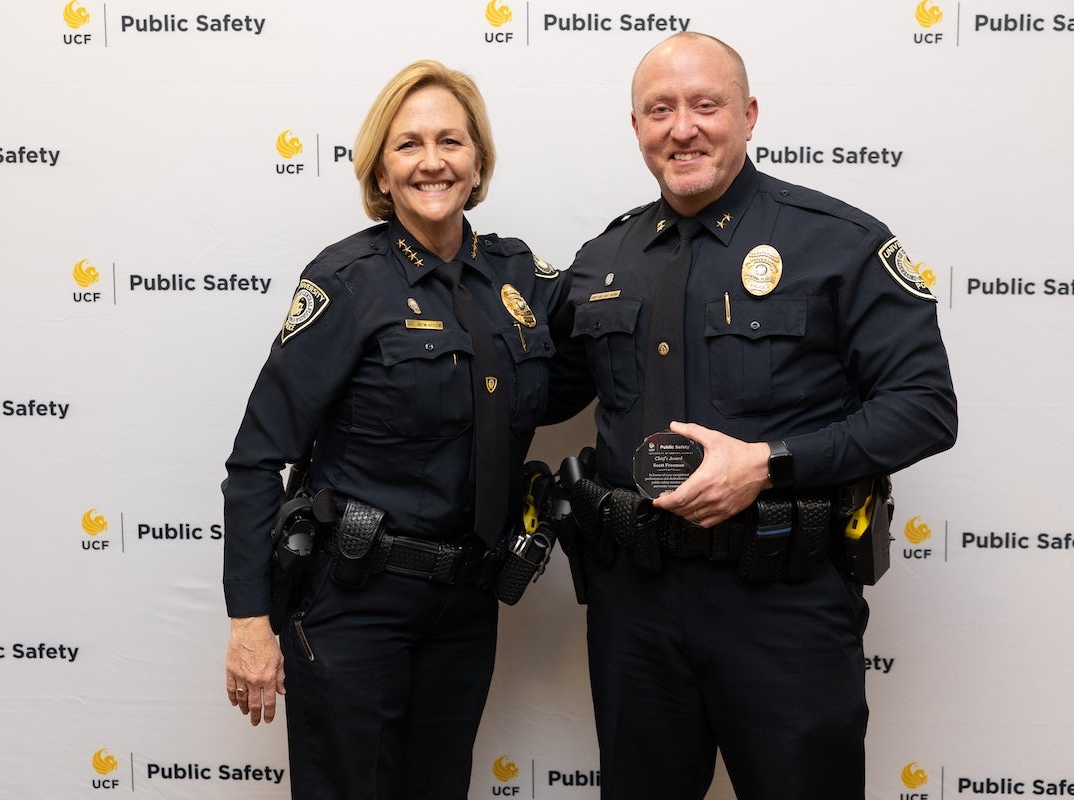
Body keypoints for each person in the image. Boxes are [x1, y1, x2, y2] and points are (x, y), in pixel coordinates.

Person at [545, 32, 957, 799]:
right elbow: (543, 389)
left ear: (749, 114)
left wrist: (770, 463)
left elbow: (924, 409)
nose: (683, 127)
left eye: (707, 105)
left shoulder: (839, 243)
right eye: (659, 109)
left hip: (784, 605)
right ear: (636, 126)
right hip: (635, 606)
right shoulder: (605, 259)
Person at [221, 59, 566, 799]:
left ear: (479, 163)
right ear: (380, 171)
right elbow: (257, 461)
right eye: (408, 145)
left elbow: (582, 365)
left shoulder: (519, 278)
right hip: (355, 604)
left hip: (466, 607)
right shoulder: (347, 282)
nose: (432, 161)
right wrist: (249, 622)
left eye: (451, 142)